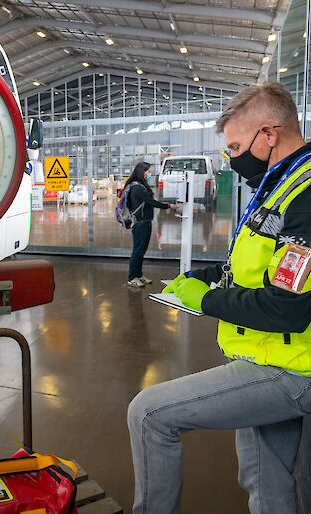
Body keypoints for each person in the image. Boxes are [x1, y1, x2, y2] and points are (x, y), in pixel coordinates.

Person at [127, 82, 311, 514]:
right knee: (264, 479)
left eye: (234, 146)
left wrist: (205, 301)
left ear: (268, 134)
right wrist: (199, 279)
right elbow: (248, 267)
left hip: (291, 367)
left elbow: (287, 307)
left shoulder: (305, 194)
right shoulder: (278, 184)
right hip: (264, 355)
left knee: (150, 414)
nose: (231, 158)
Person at [124, 161, 177, 287]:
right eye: (148, 172)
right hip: (140, 223)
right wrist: (169, 206)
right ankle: (132, 277)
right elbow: (152, 202)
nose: (150, 174)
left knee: (141, 251)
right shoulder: (137, 188)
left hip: (145, 222)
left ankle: (139, 275)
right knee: (137, 251)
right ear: (142, 172)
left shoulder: (141, 186)